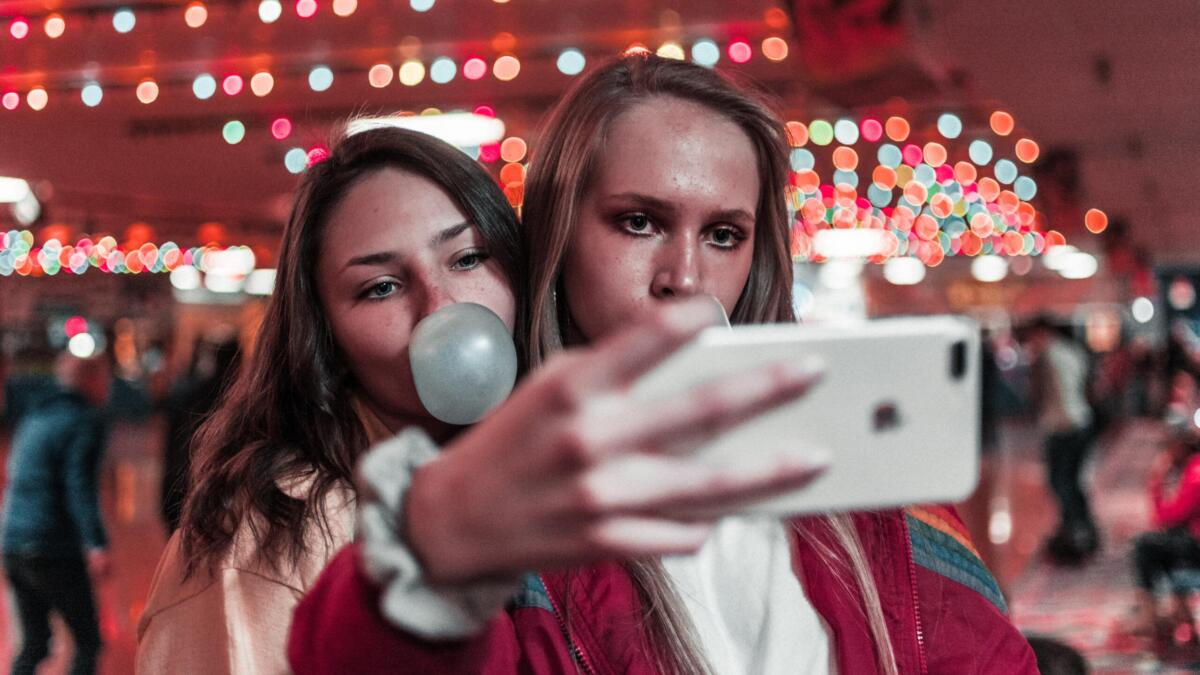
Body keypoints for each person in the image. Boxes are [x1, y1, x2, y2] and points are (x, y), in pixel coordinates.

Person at [288, 53, 1036, 674]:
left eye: (722, 234)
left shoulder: (865, 484)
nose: (683, 276)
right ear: (560, 237)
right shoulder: (512, 499)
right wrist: (437, 553)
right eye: (638, 222)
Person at [135, 125, 812, 673]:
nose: (442, 308)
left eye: (467, 259)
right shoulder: (281, 525)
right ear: (326, 335)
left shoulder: (548, 473)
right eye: (380, 288)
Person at [1, 352, 112, 675]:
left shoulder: (36, 415)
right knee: (88, 640)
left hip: (13, 542)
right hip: (52, 545)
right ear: (90, 380)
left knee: (35, 644)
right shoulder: (84, 420)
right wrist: (96, 543)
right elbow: (79, 486)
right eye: (105, 378)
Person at [1025, 315, 1100, 563]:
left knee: (1060, 482)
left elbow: (1038, 394)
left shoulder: (1045, 356)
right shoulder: (1072, 351)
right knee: (1073, 481)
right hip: (1081, 420)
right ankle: (1085, 528)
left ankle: (1075, 531)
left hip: (1061, 425)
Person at [1120, 410, 1200, 639]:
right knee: (1161, 543)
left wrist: (1157, 480)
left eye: (1169, 446)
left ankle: (1150, 612)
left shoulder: (1196, 473)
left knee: (1146, 544)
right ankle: (1174, 609)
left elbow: (1166, 517)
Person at [159, 333, 241, 532]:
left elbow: (171, 446)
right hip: (216, 498)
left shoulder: (187, 393)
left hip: (180, 487)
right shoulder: (239, 403)